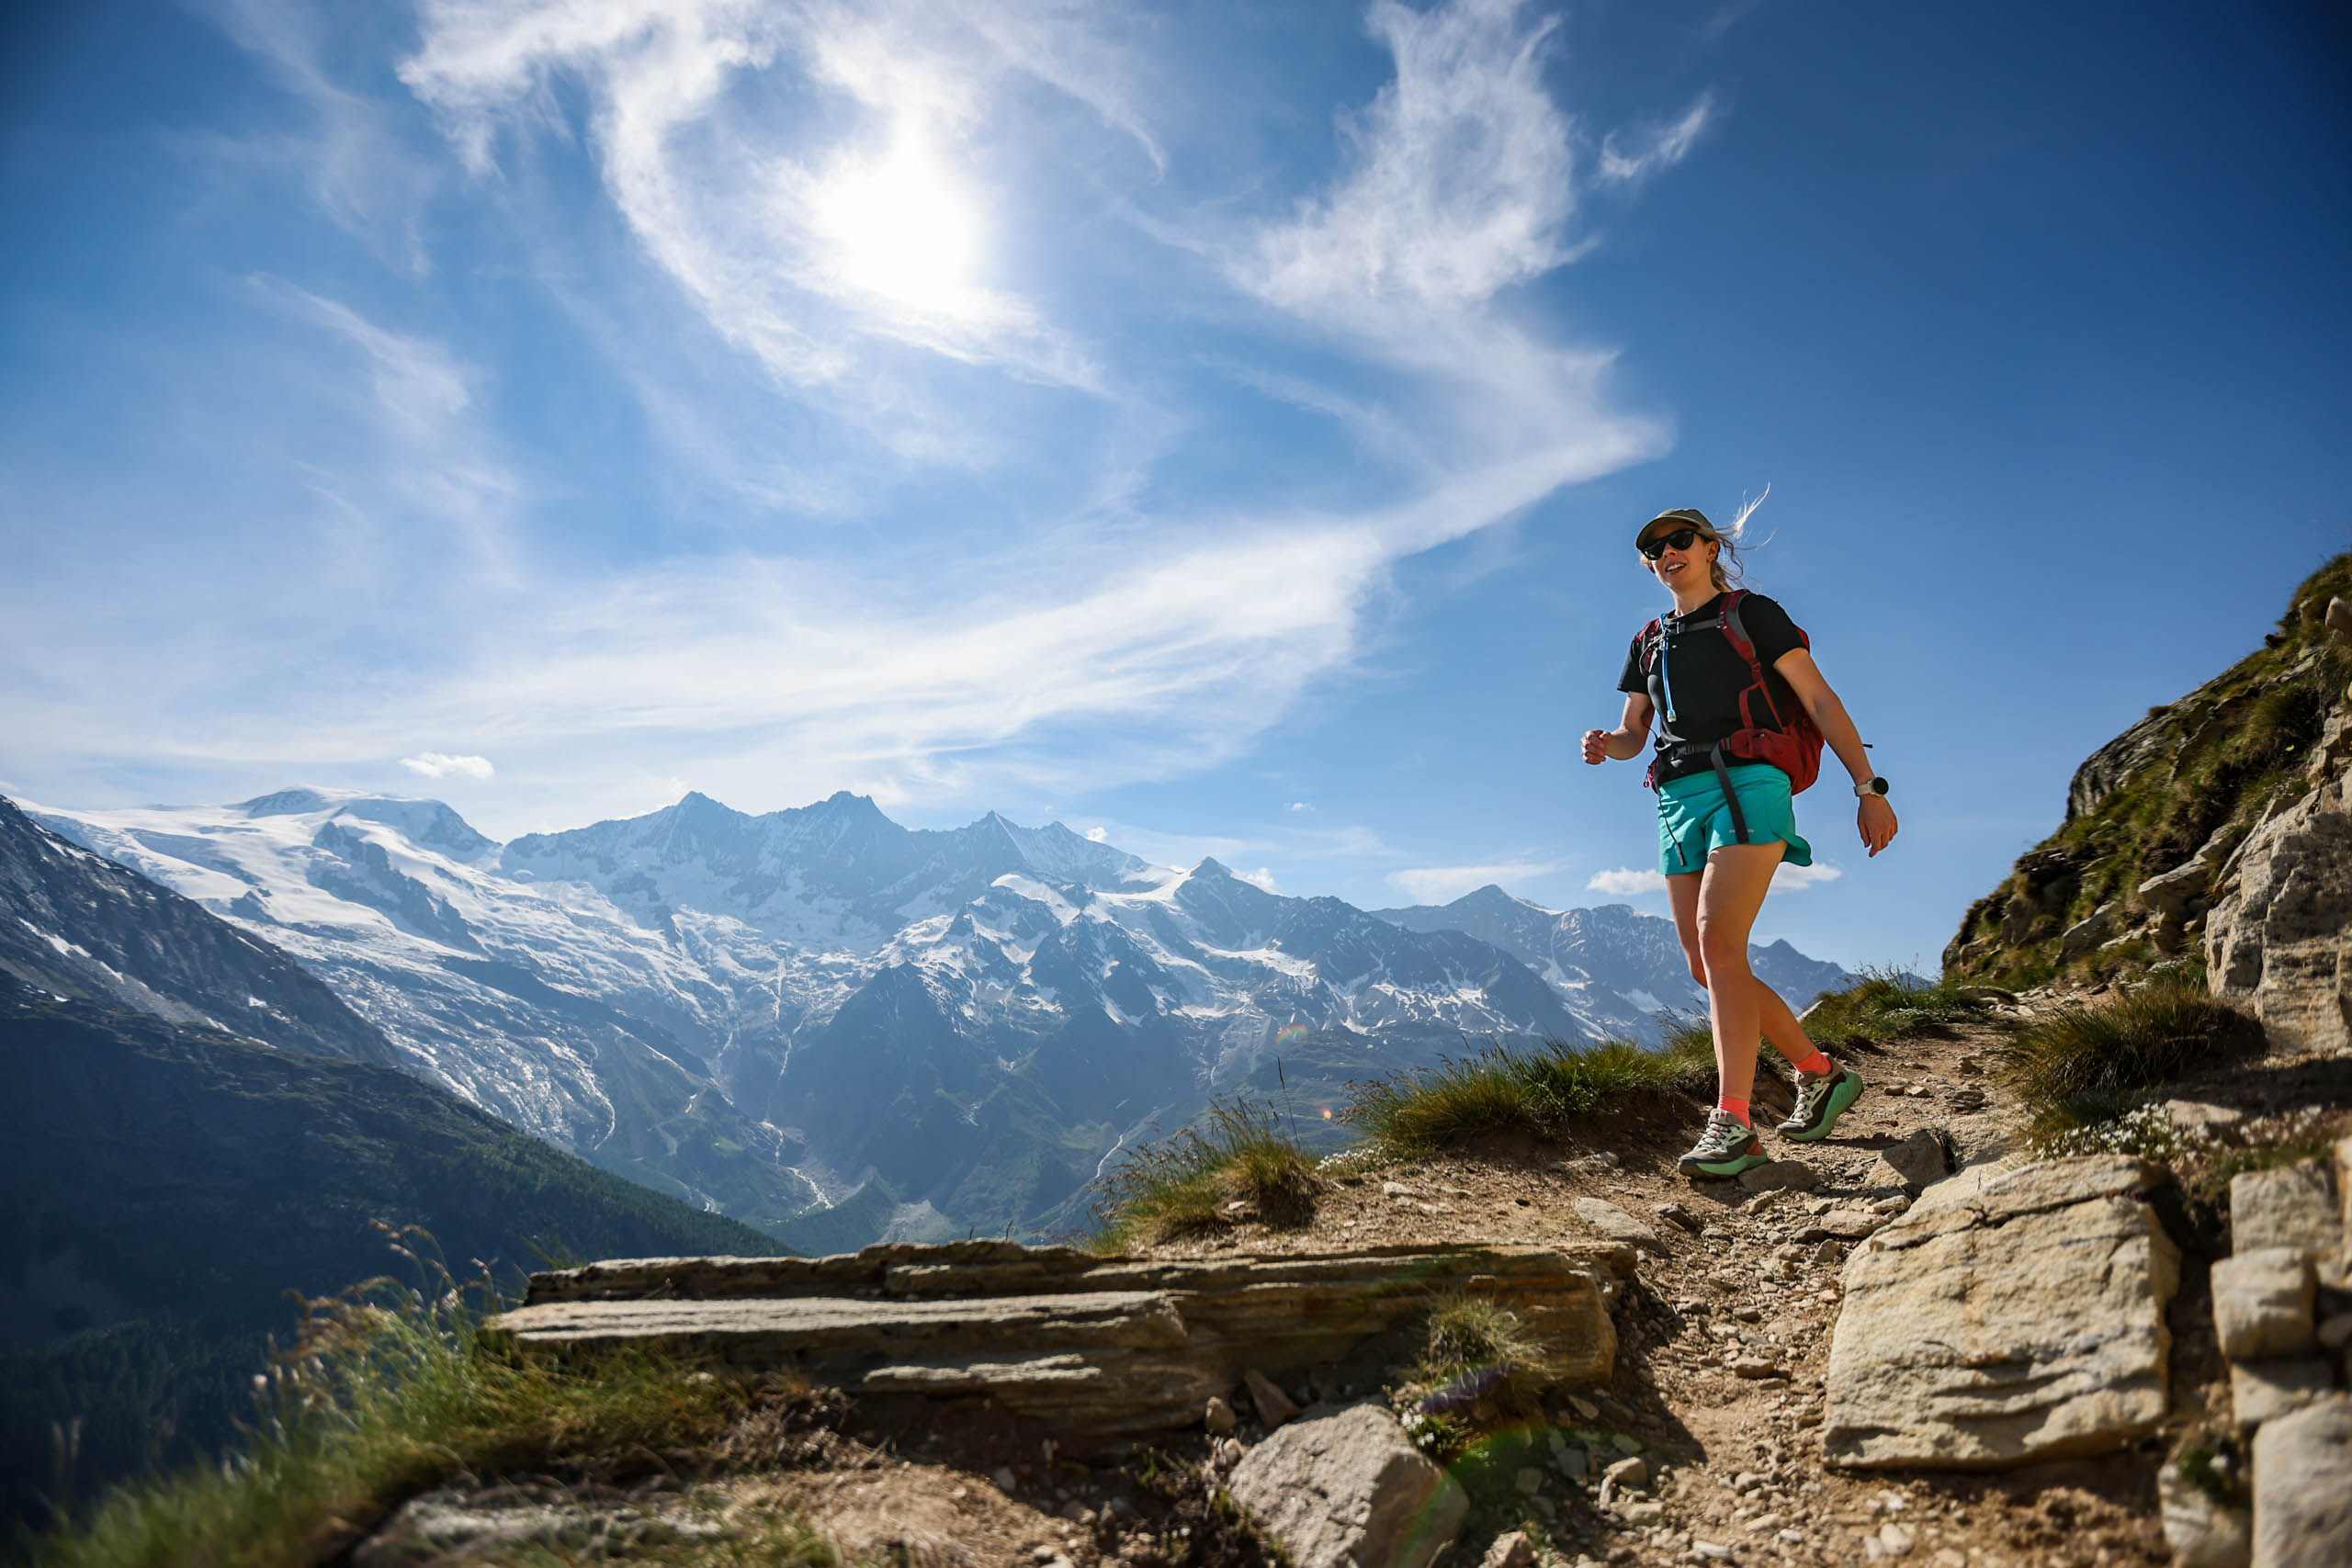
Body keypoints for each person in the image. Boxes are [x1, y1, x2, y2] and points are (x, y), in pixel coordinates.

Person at [1580, 507, 1897, 1179]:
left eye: (1679, 540)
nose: (1666, 552)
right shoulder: (1648, 641)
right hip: (1675, 797)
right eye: (1652, 548)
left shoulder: (1754, 614)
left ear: (1710, 546)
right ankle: (1820, 1072)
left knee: (1722, 945)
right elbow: (1636, 731)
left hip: (1750, 782)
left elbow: (1818, 699)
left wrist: (1867, 787)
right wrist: (1611, 747)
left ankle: (1733, 1122)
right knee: (1706, 964)